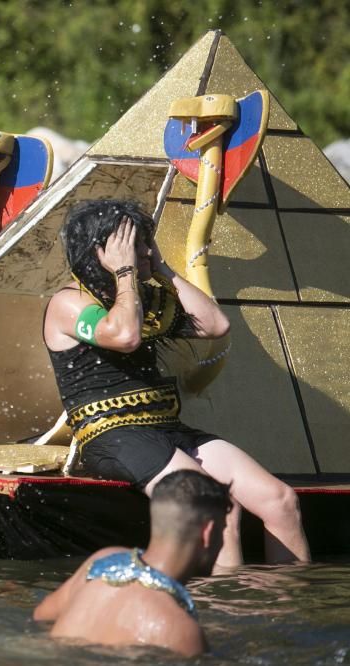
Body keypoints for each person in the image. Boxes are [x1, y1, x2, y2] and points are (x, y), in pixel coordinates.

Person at [42, 199, 310, 566]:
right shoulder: (67, 303)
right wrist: (124, 273)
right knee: (214, 507)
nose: (142, 252)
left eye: (144, 243)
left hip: (167, 428)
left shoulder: (146, 299)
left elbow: (214, 325)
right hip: (112, 436)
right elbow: (123, 336)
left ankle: (286, 607)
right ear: (100, 251)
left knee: (280, 500)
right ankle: (225, 616)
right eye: (133, 245)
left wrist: (163, 269)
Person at [34, 470, 230, 657]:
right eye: (223, 530)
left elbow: (41, 617)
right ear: (208, 532)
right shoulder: (178, 631)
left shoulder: (101, 563)